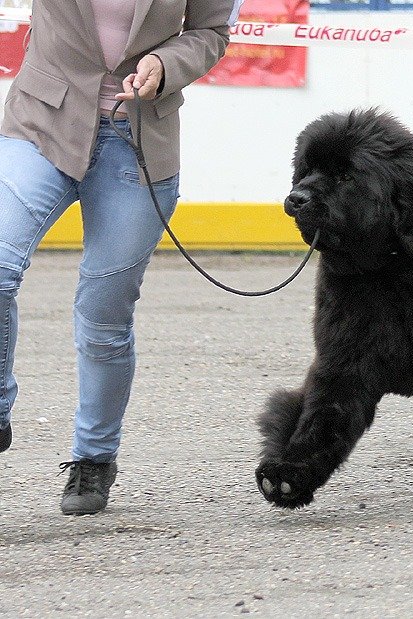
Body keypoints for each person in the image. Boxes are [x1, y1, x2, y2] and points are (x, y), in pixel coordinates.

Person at [0, 0, 242, 515]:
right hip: (42, 122)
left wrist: (166, 64)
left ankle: (94, 456)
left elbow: (211, 32)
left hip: (137, 137)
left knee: (104, 316)